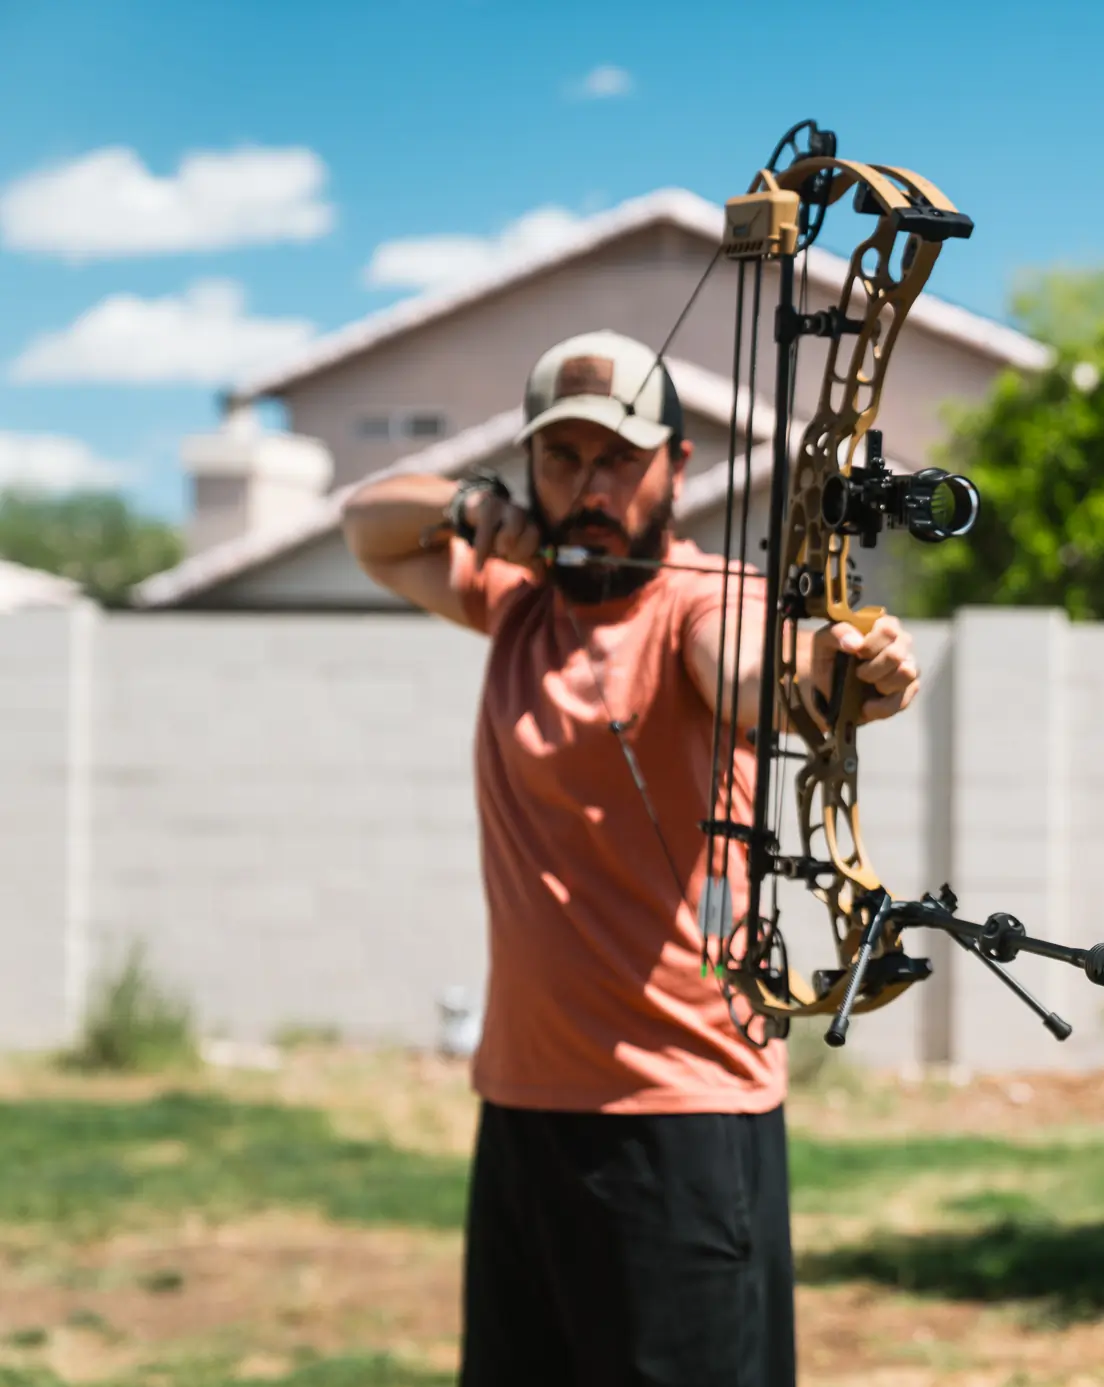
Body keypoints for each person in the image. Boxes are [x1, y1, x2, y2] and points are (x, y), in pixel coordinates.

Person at [341, 328, 920, 1386]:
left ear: (676, 467)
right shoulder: (515, 603)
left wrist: (841, 674)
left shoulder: (701, 601)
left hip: (679, 1121)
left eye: (617, 457)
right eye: (561, 458)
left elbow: (755, 675)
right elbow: (368, 528)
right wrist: (476, 513)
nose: (589, 485)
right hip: (521, 1107)